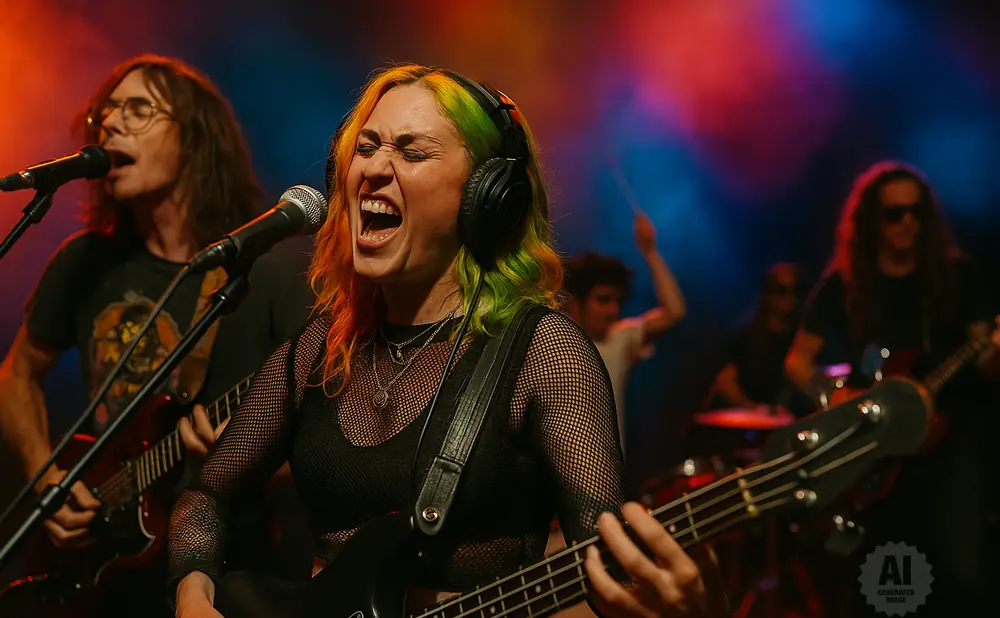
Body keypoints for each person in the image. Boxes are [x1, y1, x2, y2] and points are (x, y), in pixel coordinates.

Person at [167, 64, 727, 618]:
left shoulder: (543, 353)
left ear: (486, 196)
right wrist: (193, 592)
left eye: (412, 153)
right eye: (366, 147)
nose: (374, 168)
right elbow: (206, 495)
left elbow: (607, 571)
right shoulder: (320, 349)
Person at [0, 54, 314, 617]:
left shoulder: (267, 272)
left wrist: (244, 459)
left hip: (230, 573)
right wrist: (47, 479)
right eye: (105, 112)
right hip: (106, 568)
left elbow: (328, 439)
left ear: (194, 138)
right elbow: (16, 375)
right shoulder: (85, 261)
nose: (110, 123)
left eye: (138, 109)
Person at [783, 161, 999, 616]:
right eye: (894, 213)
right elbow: (797, 362)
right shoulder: (845, 282)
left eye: (917, 212)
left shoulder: (958, 275)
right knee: (885, 582)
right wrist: (837, 402)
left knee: (962, 572)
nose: (907, 223)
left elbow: (984, 357)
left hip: (951, 442)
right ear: (872, 222)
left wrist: (995, 352)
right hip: (880, 451)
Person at [562, 219, 686, 453]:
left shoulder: (619, 337)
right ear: (575, 303)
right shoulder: (555, 343)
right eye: (603, 300)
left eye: (617, 301)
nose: (613, 309)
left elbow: (674, 311)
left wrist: (650, 252)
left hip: (609, 464)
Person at [706, 263, 811, 416]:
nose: (790, 298)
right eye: (781, 290)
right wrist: (755, 409)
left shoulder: (802, 335)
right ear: (768, 293)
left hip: (791, 418)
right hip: (750, 417)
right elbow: (725, 383)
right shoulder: (744, 333)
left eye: (796, 291)